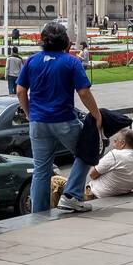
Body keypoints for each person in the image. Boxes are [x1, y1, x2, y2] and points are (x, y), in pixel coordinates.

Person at [16, 21, 103, 214]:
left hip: (38, 122)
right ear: (66, 42)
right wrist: (96, 115)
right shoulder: (71, 62)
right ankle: (71, 195)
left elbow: (21, 91)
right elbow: (84, 92)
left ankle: (38, 213)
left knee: (41, 169)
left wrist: (30, 114)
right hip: (63, 120)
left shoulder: (32, 61)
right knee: (85, 153)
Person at [86, 128, 133, 199]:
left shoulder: (115, 154)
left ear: (122, 143)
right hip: (120, 196)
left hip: (96, 195)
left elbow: (92, 174)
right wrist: (127, 184)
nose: (113, 145)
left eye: (115, 141)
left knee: (76, 192)